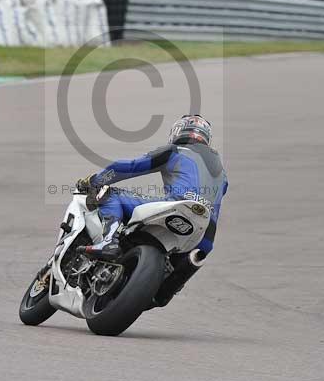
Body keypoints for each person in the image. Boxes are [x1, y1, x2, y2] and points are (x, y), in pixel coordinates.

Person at [75, 114, 228, 306]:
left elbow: (128, 167)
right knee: (188, 262)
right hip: (204, 233)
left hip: (176, 206)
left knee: (110, 194)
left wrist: (95, 181)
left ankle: (108, 241)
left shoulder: (176, 151)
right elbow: (216, 208)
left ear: (179, 131)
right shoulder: (222, 174)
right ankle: (169, 288)